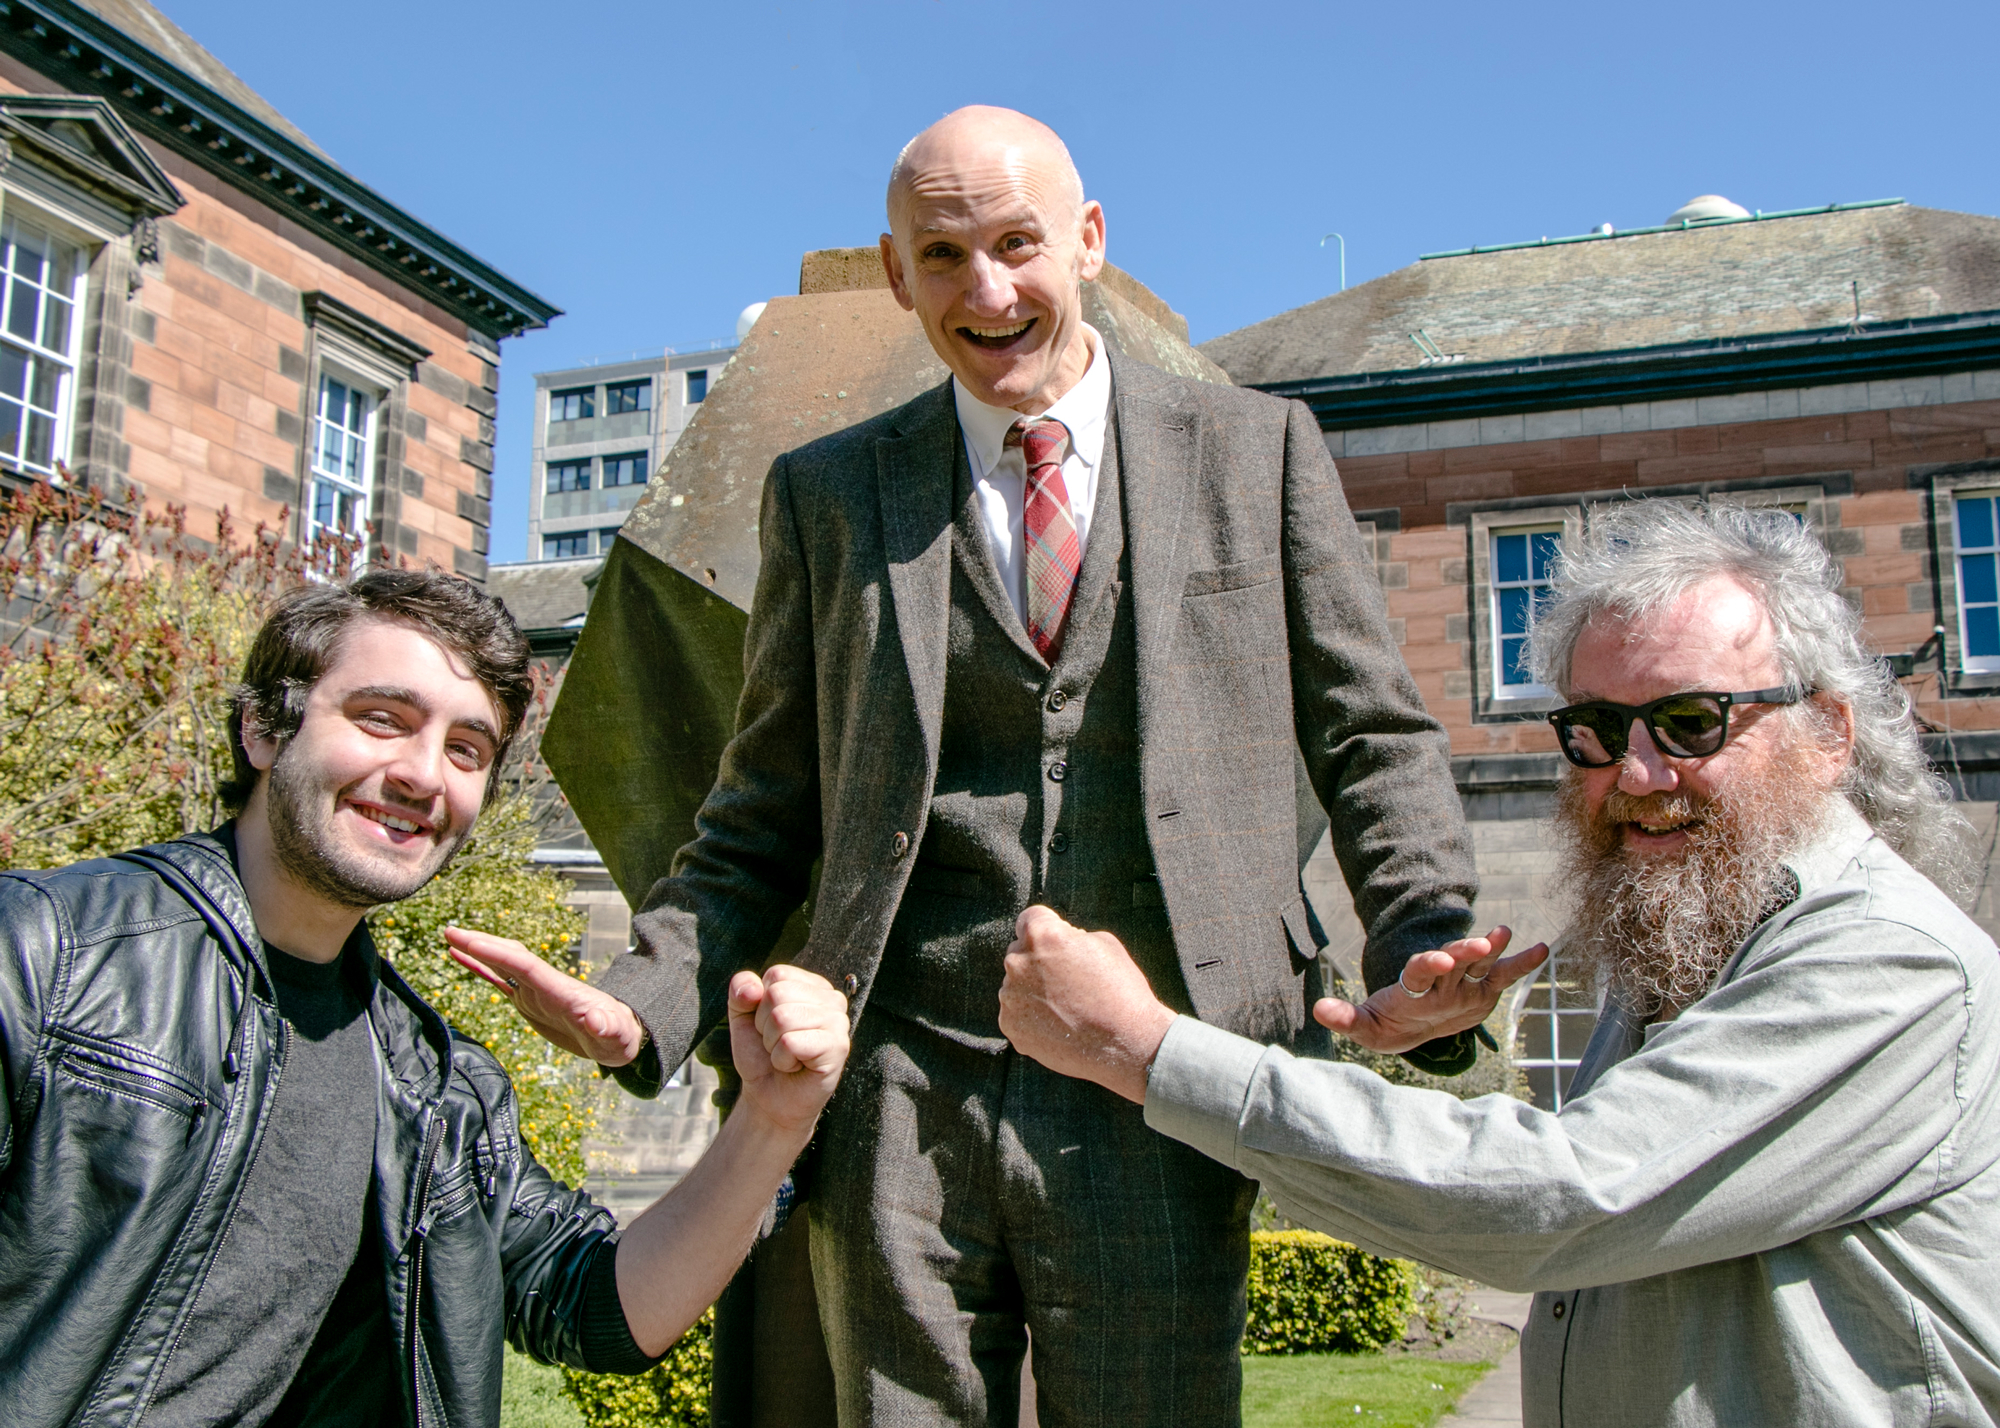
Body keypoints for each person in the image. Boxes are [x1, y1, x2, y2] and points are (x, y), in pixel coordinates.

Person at [459, 106, 1520, 1425]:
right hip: (901, 1077)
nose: (990, 289)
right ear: (900, 276)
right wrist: (650, 998)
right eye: (945, 254)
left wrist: (1420, 929)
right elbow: (760, 811)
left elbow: (1372, 732)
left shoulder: (1260, 453)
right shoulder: (828, 496)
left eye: (1018, 243)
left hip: (1164, 1062)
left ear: (1086, 240)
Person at [998, 499, 2000, 1428]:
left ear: (1826, 733)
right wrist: (1439, 1045)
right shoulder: (1703, 927)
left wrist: (1140, 1047)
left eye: (1690, 722)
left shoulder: (1888, 964)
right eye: (1596, 731)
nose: (1636, 774)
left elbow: (1559, 1200)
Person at [0, 569, 850, 1428]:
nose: (423, 776)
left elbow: (597, 1307)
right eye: (382, 720)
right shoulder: (45, 957)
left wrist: (773, 1119)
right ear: (262, 727)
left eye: (466, 750)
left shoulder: (437, 1086)